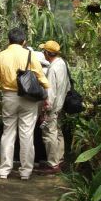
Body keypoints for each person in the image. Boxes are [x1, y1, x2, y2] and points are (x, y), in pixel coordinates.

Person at [0, 28, 49, 180]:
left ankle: (4, 170)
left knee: (8, 133)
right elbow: (41, 77)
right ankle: (25, 171)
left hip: (9, 97)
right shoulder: (30, 55)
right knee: (26, 134)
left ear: (8, 40)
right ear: (24, 42)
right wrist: (47, 97)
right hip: (28, 98)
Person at [37, 40, 70, 175]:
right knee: (57, 132)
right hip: (60, 104)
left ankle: (52, 164)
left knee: (49, 133)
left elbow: (50, 91)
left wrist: (45, 109)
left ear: (47, 53)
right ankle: (59, 159)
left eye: (44, 51)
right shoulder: (62, 64)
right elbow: (67, 86)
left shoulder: (52, 69)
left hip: (52, 106)